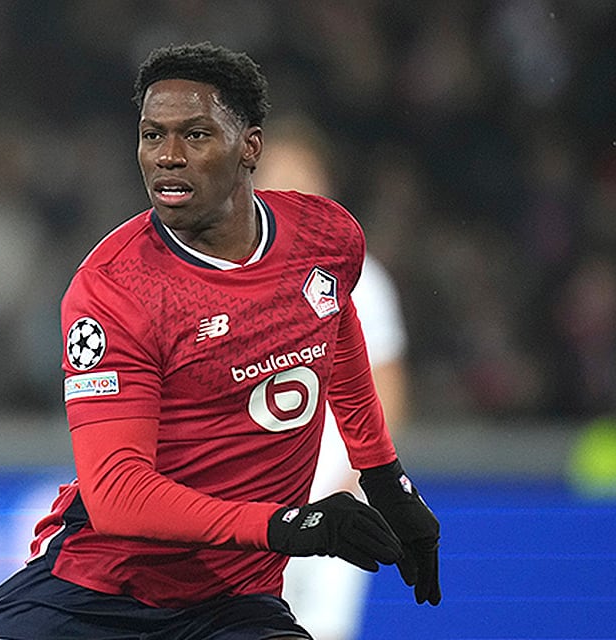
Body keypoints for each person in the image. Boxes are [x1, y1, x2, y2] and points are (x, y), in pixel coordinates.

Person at [0, 42, 440, 640]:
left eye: (196, 136)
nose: (168, 157)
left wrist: (385, 479)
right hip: (103, 590)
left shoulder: (326, 237)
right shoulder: (116, 289)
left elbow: (336, 328)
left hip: (234, 601)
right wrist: (285, 525)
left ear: (250, 147)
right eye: (152, 136)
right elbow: (116, 494)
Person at [253, 116, 410, 640]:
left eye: (304, 179)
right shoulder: (226, 277)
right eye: (278, 178)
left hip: (335, 502)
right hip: (249, 509)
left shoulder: (363, 282)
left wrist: (362, 485)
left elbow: (387, 391)